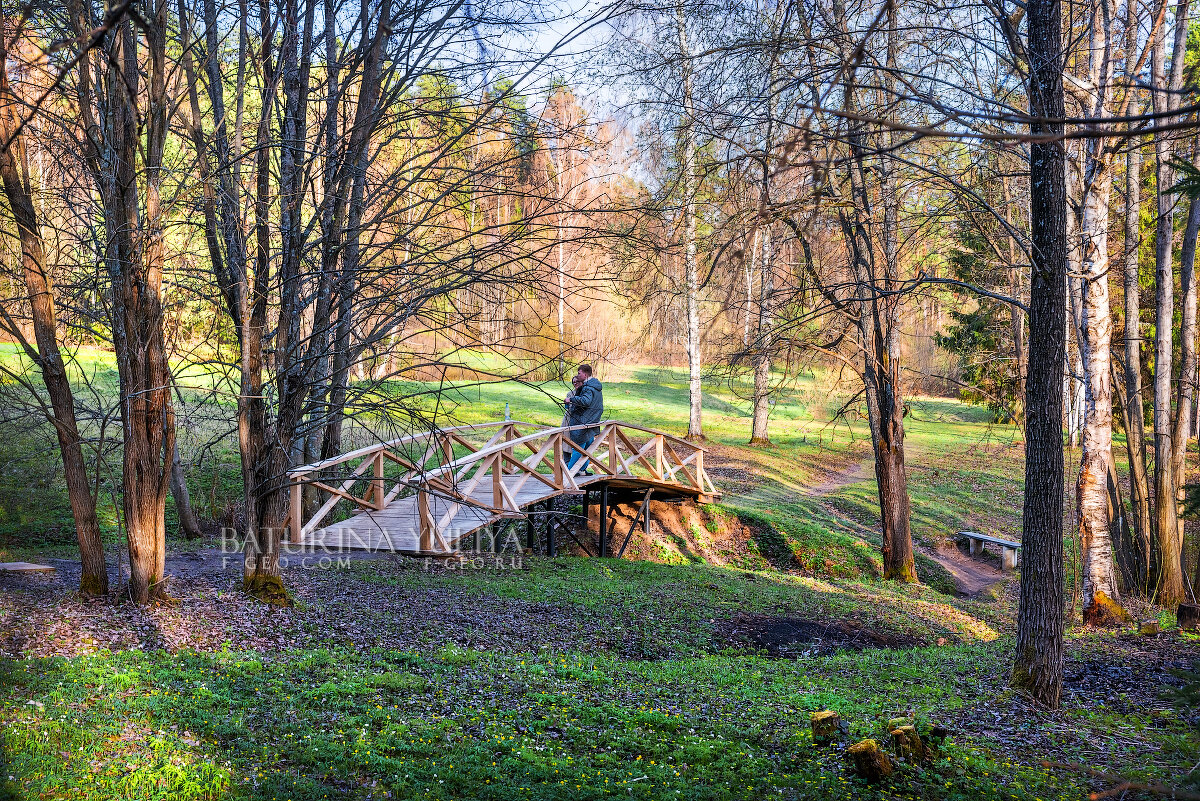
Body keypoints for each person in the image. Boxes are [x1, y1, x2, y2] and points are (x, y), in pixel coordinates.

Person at [565, 364, 603, 474]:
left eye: (579, 373)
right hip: (592, 420)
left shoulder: (588, 387)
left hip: (584, 421)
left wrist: (571, 399)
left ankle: (568, 473)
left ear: (585, 374)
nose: (578, 375)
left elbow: (586, 401)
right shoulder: (595, 386)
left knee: (578, 448)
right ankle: (581, 469)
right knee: (586, 447)